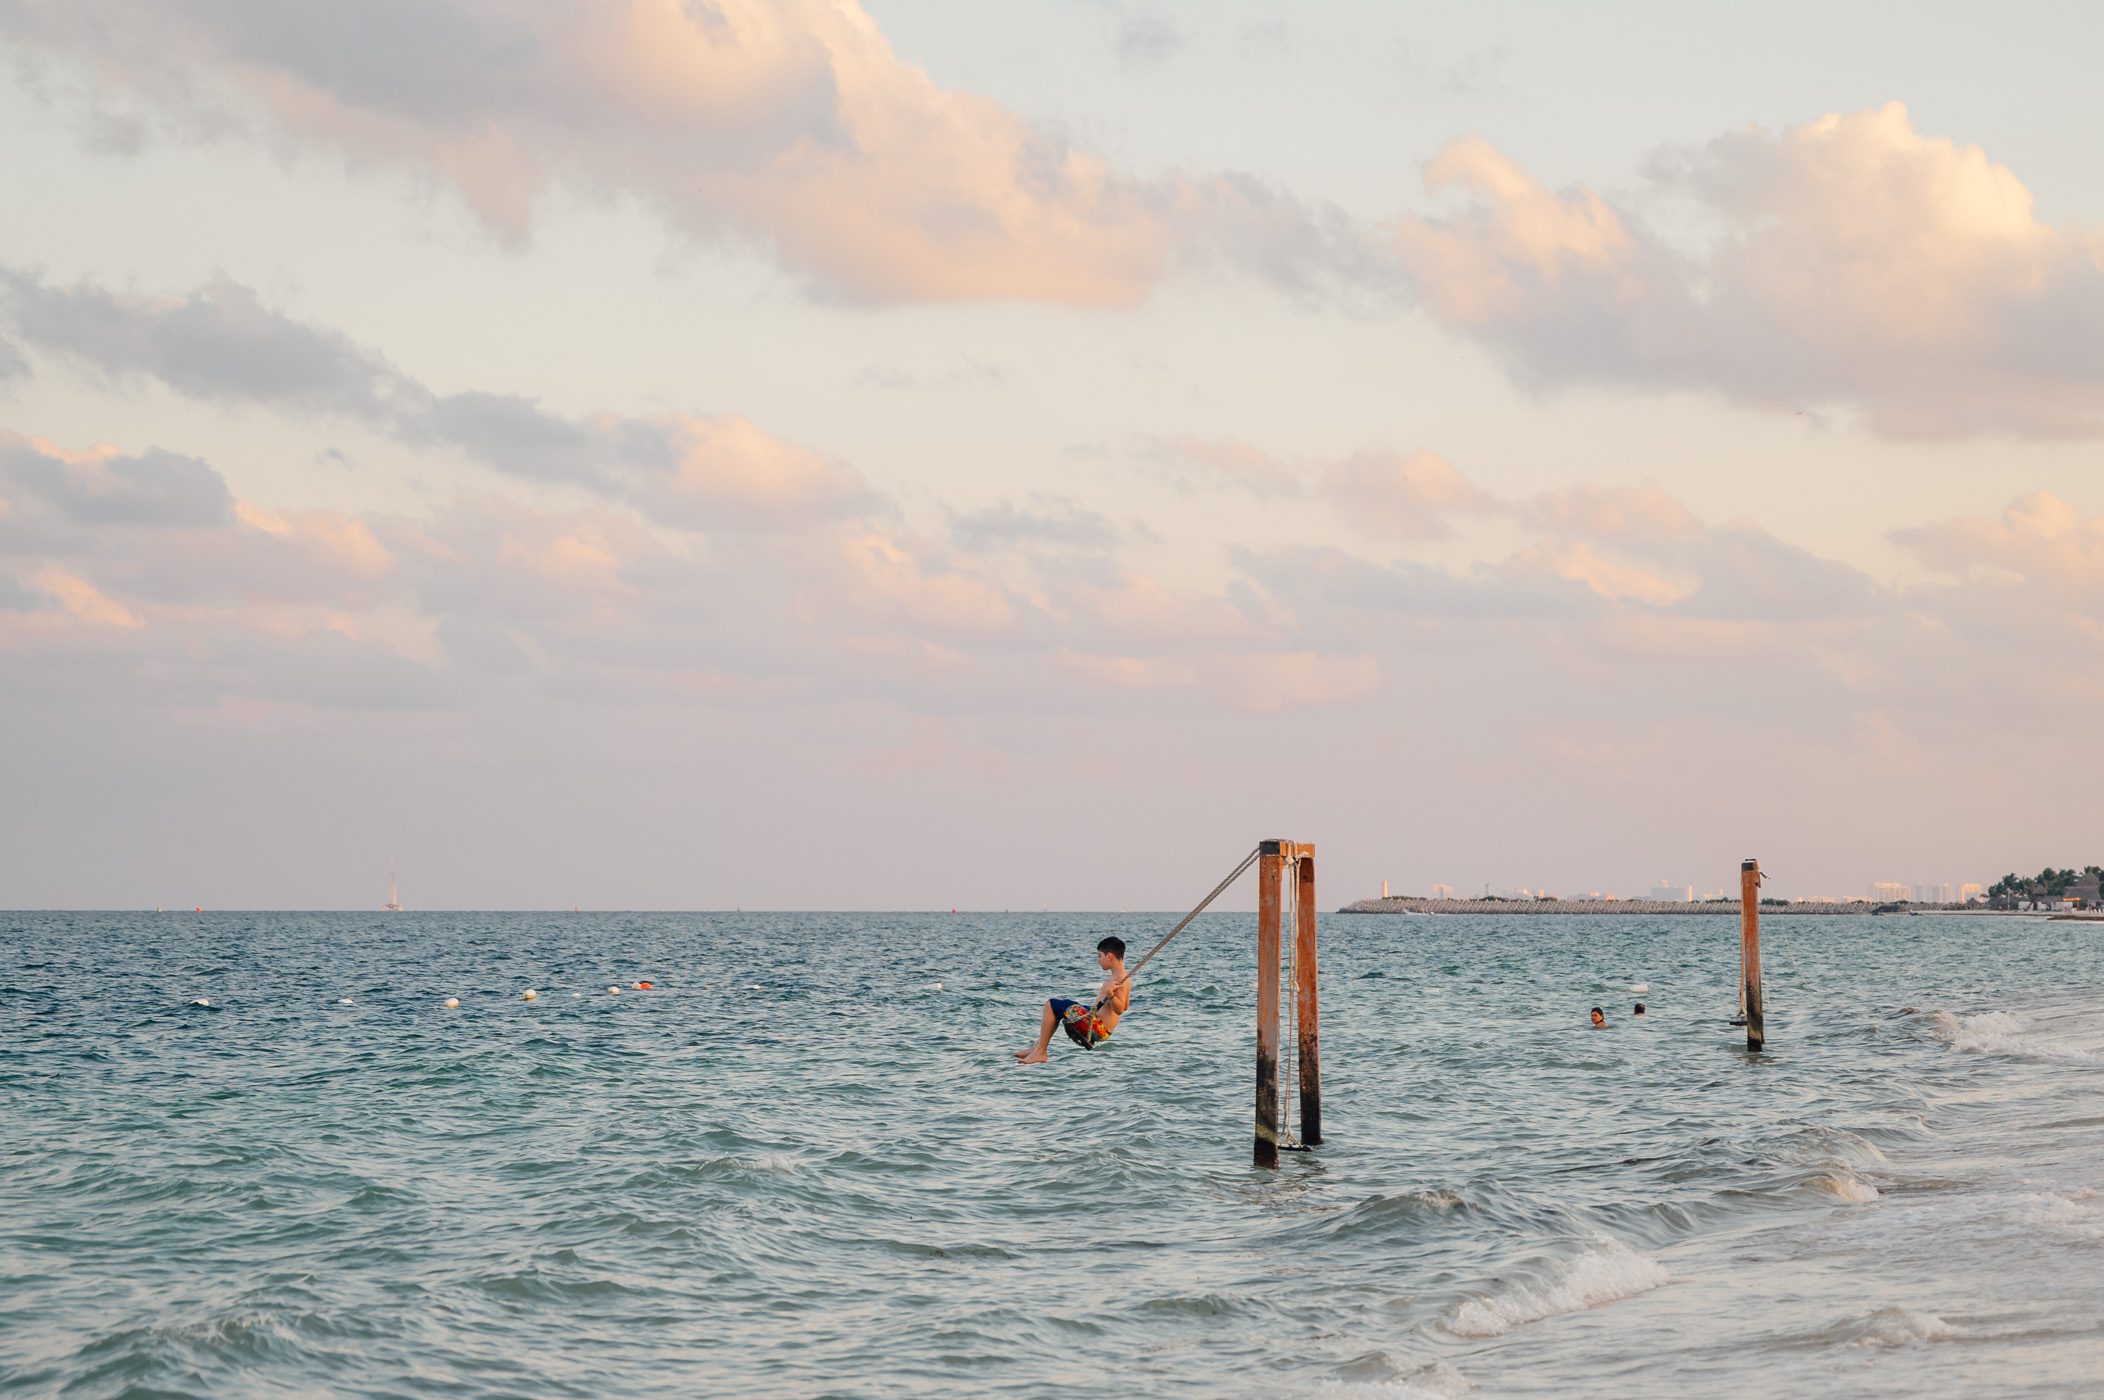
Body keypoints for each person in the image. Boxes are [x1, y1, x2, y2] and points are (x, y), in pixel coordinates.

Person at [1015, 936, 1130, 1063]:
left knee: (1051, 1005)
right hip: (1098, 1023)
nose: (1098, 960)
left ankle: (1041, 1052)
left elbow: (1119, 1010)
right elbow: (1126, 1006)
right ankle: (1037, 1048)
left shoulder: (1119, 979)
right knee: (1060, 1007)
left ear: (1109, 956)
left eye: (1099, 956)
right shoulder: (1123, 977)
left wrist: (1110, 994)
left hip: (1098, 1028)